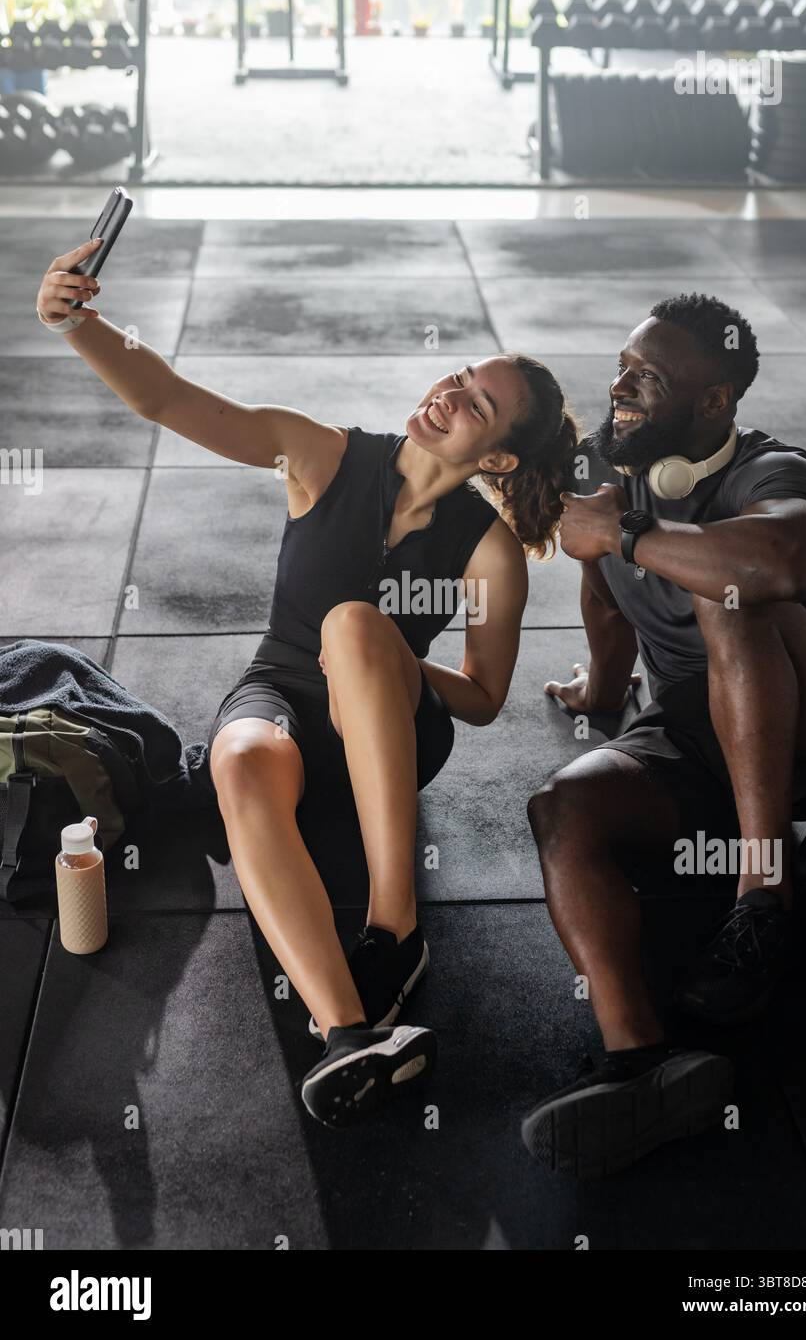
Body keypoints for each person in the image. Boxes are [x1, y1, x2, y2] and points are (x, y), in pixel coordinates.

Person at [35, 237, 580, 1128]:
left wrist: (390, 659)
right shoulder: (318, 453)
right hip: (281, 698)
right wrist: (79, 323)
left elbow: (480, 699)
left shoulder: (488, 551)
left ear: (500, 460)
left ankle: (394, 931)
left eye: (475, 402)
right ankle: (347, 1035)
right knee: (239, 759)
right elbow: (170, 398)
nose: (447, 393)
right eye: (455, 375)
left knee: (353, 624)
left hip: (392, 729)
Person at [522, 292, 806, 1181]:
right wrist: (599, 690)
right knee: (562, 810)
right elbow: (601, 592)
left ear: (713, 402)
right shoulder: (610, 462)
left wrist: (630, 532)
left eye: (647, 377)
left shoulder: (770, 467)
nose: (620, 387)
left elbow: (782, 559)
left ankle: (761, 897)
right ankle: (645, 1070)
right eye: (623, 366)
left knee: (732, 592)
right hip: (697, 726)